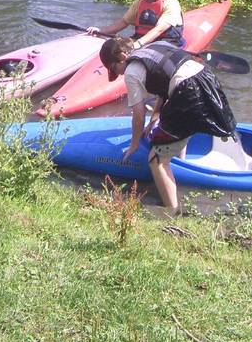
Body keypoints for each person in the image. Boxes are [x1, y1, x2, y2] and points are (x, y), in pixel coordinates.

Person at [99, 36, 237, 214]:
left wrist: (134, 145)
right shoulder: (155, 47)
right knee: (179, 127)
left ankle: (171, 211)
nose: (119, 74)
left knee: (156, 160)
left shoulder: (132, 71)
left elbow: (138, 114)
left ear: (123, 58)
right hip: (206, 77)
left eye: (115, 69)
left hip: (187, 91)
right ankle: (181, 165)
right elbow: (164, 86)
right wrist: (156, 118)